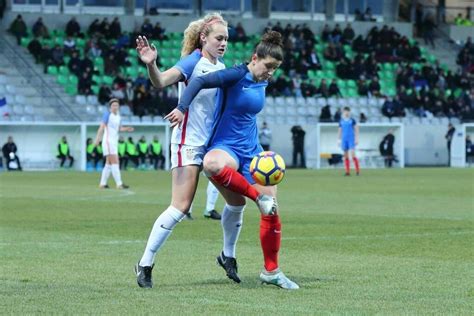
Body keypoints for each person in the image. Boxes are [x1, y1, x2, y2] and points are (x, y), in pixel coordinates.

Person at [165, 31, 299, 290]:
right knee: (211, 165)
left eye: (276, 69)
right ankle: (255, 197)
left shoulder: (263, 79)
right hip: (225, 146)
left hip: (253, 152)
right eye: (268, 66)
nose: (271, 72)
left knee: (271, 209)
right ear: (254, 58)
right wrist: (182, 108)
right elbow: (198, 82)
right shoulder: (236, 74)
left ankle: (271, 271)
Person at [134, 13, 236, 288]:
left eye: (226, 38)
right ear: (204, 38)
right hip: (187, 142)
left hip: (213, 145)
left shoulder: (221, 65)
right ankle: (145, 263)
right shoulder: (193, 61)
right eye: (219, 38)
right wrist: (152, 64)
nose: (223, 43)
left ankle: (228, 256)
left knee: (236, 202)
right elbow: (161, 81)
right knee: (180, 206)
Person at [94, 98, 133, 189]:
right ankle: (119, 184)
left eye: (116, 105)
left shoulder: (118, 117)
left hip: (114, 142)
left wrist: (127, 129)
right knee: (115, 161)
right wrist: (97, 139)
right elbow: (101, 127)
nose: (115, 107)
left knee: (108, 163)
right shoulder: (108, 115)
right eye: (113, 105)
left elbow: (119, 128)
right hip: (108, 141)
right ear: (110, 107)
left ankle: (102, 184)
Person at [338, 107, 360, 176]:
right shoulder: (341, 121)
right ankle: (347, 172)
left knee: (353, 154)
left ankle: (357, 171)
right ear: (343, 112)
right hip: (344, 139)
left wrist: (356, 138)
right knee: (346, 155)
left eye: (348, 111)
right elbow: (340, 130)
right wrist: (338, 139)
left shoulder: (352, 120)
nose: (346, 113)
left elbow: (356, 129)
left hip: (351, 139)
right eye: (345, 111)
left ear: (349, 112)